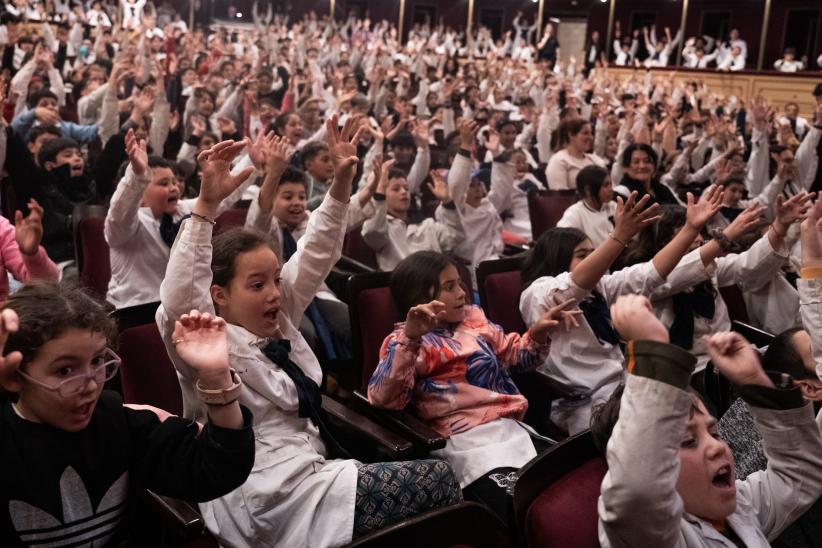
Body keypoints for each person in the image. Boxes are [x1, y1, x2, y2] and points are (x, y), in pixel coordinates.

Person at [156, 119, 461, 547]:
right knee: (441, 481)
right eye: (256, 285)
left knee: (442, 491)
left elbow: (316, 251)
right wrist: (205, 209)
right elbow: (179, 299)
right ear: (218, 295)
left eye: (275, 280)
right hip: (261, 491)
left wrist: (342, 182)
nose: (273, 293)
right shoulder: (203, 338)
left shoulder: (279, 317)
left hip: (311, 468)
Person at [0, 282, 256, 546]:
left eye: (97, 361)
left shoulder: (118, 423)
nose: (90, 386)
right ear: (15, 376)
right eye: (65, 370)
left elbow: (215, 470)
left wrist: (216, 379)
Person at [593, 293, 822, 548]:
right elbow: (634, 493)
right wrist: (653, 361)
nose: (717, 447)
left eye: (714, 434)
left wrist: (756, 382)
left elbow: (799, 475)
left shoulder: (740, 508)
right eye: (688, 441)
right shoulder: (649, 535)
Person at [368, 250, 574, 521]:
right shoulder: (405, 341)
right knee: (522, 511)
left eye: (460, 283)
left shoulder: (473, 320)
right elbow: (384, 399)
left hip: (508, 428)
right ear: (421, 296)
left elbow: (515, 357)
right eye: (449, 287)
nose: (462, 293)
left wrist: (537, 333)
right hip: (462, 442)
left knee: (568, 486)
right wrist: (410, 338)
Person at [519, 187, 723, 434]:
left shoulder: (600, 287)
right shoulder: (537, 293)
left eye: (594, 252)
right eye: (583, 255)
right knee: (665, 429)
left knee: (694, 410)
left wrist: (690, 229)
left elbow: (649, 273)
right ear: (557, 259)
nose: (595, 259)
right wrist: (619, 237)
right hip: (583, 404)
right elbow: (571, 286)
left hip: (623, 387)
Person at [105, 129, 265, 309]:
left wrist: (251, 161)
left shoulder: (181, 210)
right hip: (135, 312)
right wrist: (137, 176)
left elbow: (218, 198)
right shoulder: (126, 224)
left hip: (179, 309)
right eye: (164, 183)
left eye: (174, 182)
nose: (174, 188)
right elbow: (119, 212)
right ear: (140, 195)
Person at [557, 165, 616, 247]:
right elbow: (560, 239)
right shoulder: (575, 213)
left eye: (611, 184)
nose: (611, 189)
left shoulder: (613, 206)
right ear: (588, 190)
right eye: (606, 185)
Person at [545, 119, 607, 190]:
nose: (591, 137)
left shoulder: (595, 160)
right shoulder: (559, 160)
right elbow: (560, 193)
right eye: (585, 133)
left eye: (591, 133)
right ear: (571, 135)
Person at [614, 143, 680, 205]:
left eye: (647, 161)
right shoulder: (621, 192)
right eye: (636, 162)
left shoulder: (663, 188)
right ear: (626, 167)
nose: (642, 166)